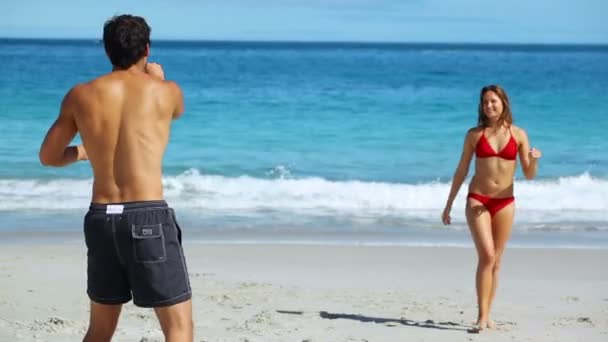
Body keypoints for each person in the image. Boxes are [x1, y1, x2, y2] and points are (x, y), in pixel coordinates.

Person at [39, 15, 193, 341]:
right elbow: (175, 111)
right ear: (147, 48)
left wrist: (83, 152)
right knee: (178, 328)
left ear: (107, 51)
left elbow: (49, 157)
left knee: (100, 329)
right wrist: (160, 78)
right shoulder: (167, 92)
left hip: (102, 219)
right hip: (147, 214)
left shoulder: (81, 95)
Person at [441, 85, 541, 331]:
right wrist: (449, 204)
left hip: (505, 202)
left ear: (503, 102)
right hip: (478, 199)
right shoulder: (474, 135)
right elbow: (462, 170)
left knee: (496, 260)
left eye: (493, 101)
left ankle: (488, 315)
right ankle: (481, 317)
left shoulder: (518, 134)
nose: (489, 106)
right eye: (485, 102)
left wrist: (535, 159)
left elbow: (529, 174)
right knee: (486, 255)